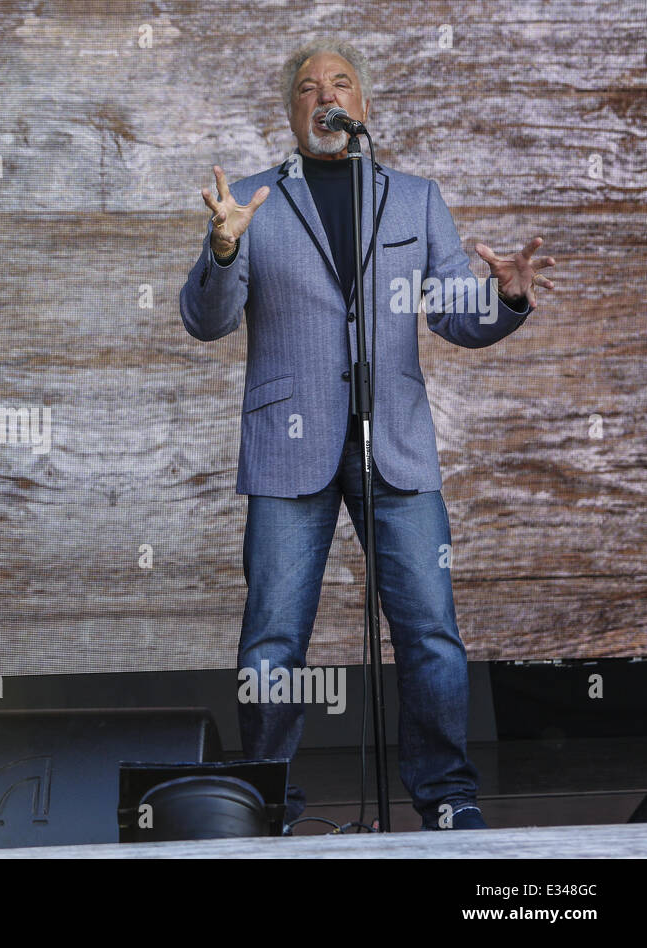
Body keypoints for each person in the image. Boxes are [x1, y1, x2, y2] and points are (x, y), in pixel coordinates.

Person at [179, 38, 556, 831]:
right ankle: (270, 806)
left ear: (364, 105)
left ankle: (448, 800)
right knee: (272, 643)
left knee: (430, 635)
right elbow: (205, 321)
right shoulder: (248, 201)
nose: (326, 95)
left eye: (341, 83)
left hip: (397, 443)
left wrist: (508, 299)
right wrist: (222, 248)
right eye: (309, 87)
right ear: (290, 112)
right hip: (289, 446)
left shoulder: (415, 199)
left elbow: (457, 314)